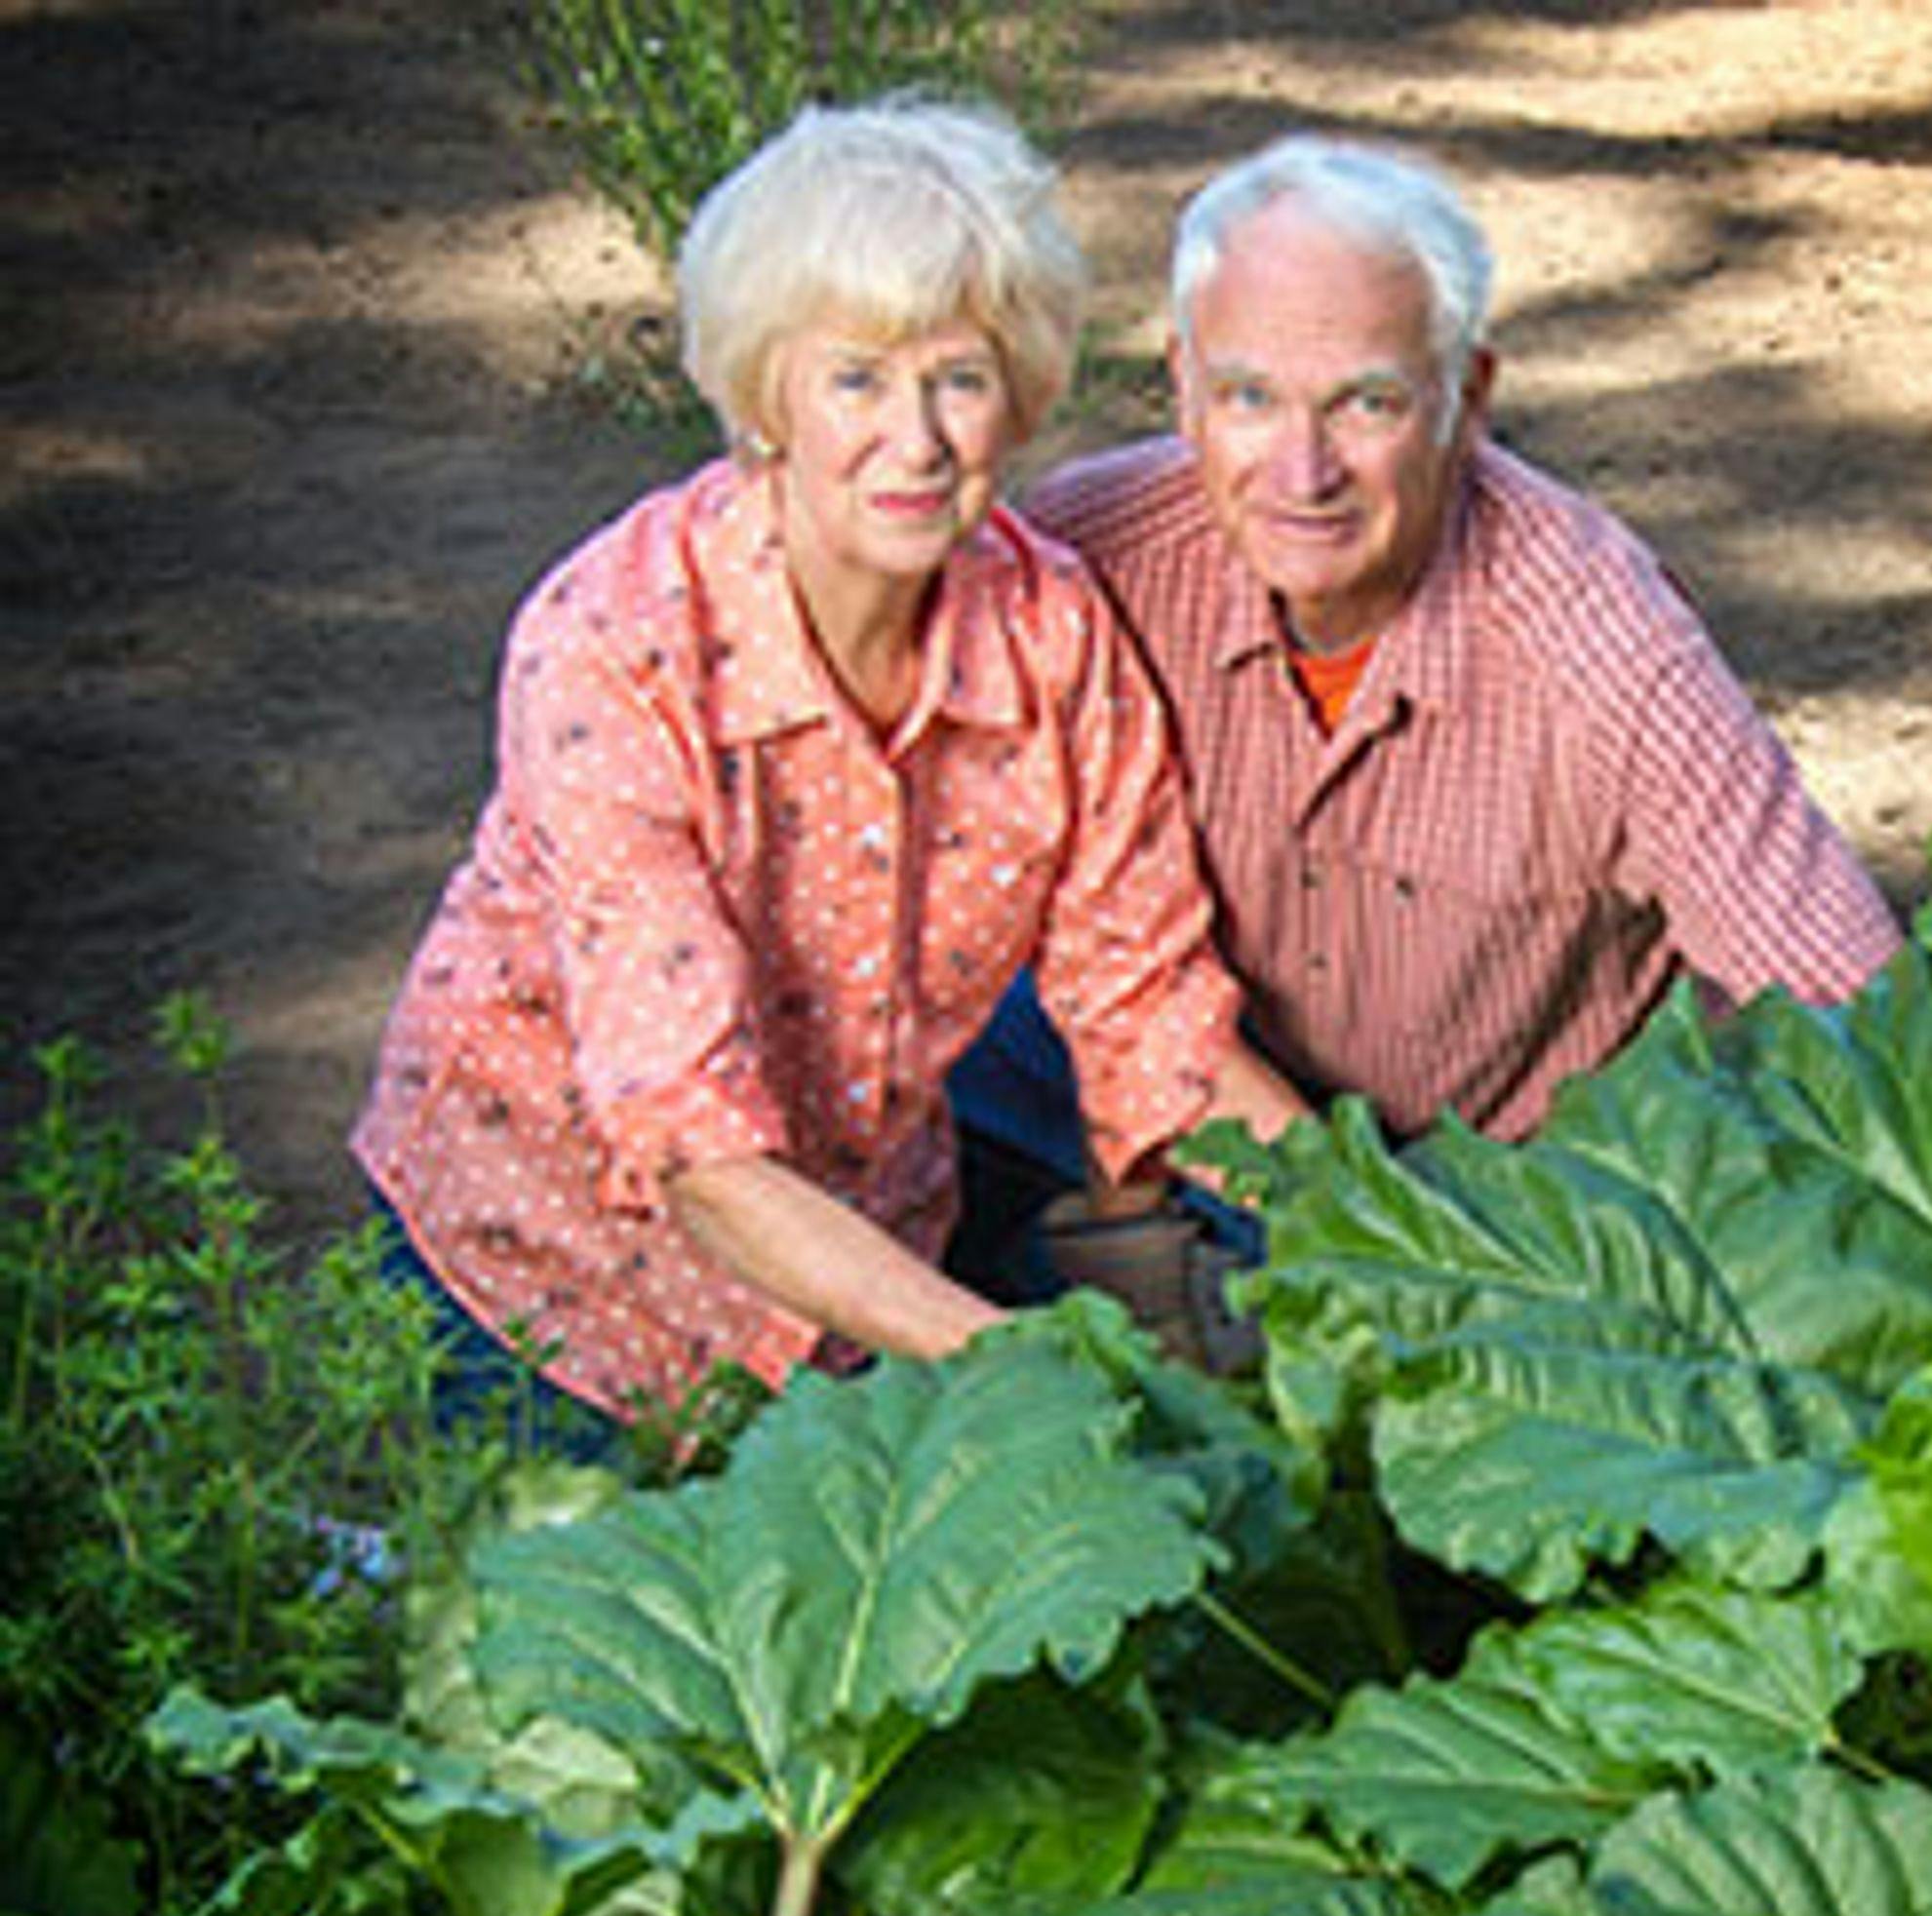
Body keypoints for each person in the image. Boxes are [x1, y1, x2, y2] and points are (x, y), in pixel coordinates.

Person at [352, 96, 1305, 1437]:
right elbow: (698, 1153)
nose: (914, 442)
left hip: (863, 1258)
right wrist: (1022, 1365)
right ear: (765, 395)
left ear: (1017, 392)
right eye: (856, 378)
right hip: (549, 1285)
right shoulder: (614, 646)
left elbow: (1150, 1020)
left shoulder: (1052, 633)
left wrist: (1397, 1235)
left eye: (958, 378)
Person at [948, 133, 1901, 1271]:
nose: (1302, 473)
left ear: (1468, 398)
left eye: (1366, 403)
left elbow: (1852, 1003)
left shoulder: (1598, 640)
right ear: (1184, 388)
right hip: (1166, 1089)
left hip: (1462, 1194)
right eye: (1249, 397)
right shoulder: (1091, 548)